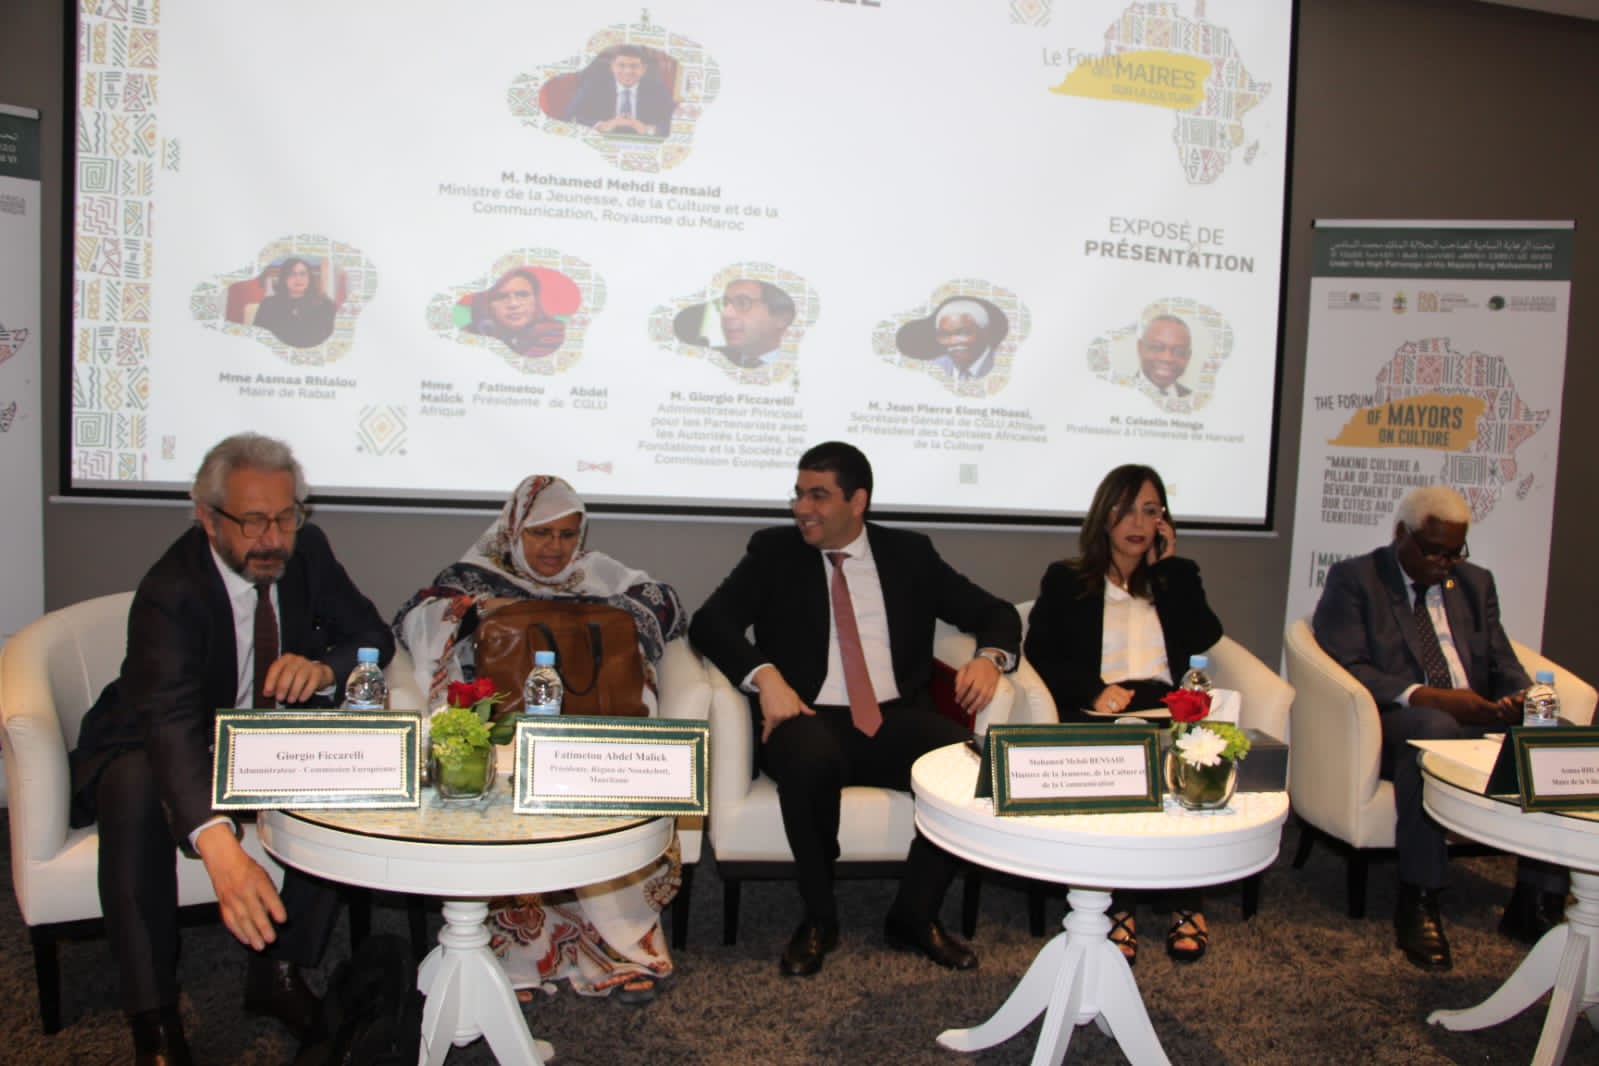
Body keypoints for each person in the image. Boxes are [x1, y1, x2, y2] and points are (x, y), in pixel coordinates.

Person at [69, 433, 394, 1065]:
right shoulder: (170, 590)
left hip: (252, 742)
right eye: (252, 522)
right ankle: (154, 1019)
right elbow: (169, 725)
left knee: (343, 762)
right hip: (152, 739)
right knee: (134, 790)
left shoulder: (308, 551)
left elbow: (372, 635)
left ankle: (279, 971)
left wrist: (324, 669)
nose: (272, 539)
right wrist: (218, 846)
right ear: (207, 517)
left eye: (286, 517)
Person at [690, 441, 1020, 977]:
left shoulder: (909, 554)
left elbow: (995, 611)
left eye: (818, 495)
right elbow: (710, 623)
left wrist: (989, 658)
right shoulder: (774, 552)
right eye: (798, 494)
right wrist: (766, 677)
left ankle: (914, 915)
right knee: (810, 759)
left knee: (972, 768)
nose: (802, 508)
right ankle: (819, 919)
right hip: (806, 715)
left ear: (857, 500)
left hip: (893, 717)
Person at [392, 474, 685, 1003]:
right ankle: (513, 960)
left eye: (567, 535)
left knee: (602, 805)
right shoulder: (474, 575)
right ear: (514, 530)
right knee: (502, 805)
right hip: (506, 732)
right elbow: (414, 618)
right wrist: (478, 611)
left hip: (589, 732)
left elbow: (666, 606)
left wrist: (583, 612)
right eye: (541, 533)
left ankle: (618, 949)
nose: (555, 548)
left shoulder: (598, 573)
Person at [1312, 484, 1565, 971]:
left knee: (1554, 734)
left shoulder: (1475, 582)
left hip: (1478, 716)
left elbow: (1501, 660)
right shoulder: (1357, 579)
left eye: (1454, 552)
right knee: (1434, 727)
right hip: (1400, 723)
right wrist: (1429, 696)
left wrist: (1521, 698)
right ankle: (1419, 899)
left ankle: (1536, 899)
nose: (1444, 564)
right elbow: (1349, 666)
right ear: (1400, 534)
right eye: (1433, 552)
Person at [1023, 464, 1224, 965]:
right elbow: (1041, 652)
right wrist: (1092, 691)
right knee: (1129, 759)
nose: (1138, 522)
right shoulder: (1068, 580)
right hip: (1102, 707)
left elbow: (1204, 636)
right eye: (1127, 509)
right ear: (1104, 516)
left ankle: (1187, 902)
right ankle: (1120, 905)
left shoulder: (1175, 579)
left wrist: (1170, 569)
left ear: (1164, 523)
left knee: (1195, 750)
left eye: (1151, 511)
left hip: (1165, 704)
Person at [569, 45, 675, 139]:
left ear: (643, 69)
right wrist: (601, 126)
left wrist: (647, 129)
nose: (627, 71)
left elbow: (674, 124)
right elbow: (571, 117)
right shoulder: (593, 87)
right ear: (612, 66)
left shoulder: (658, 91)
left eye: (634, 66)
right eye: (621, 65)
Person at [465, 267, 567, 358]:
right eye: (501, 297)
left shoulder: (556, 334)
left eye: (523, 295)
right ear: (485, 304)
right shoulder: (470, 334)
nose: (513, 304)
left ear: (536, 299)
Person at [251, 257, 336, 348]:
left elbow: (328, 341)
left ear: (309, 278)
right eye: (292, 274)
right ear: (284, 278)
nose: (298, 278)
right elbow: (259, 337)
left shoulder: (325, 305)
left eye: (303, 274)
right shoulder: (268, 304)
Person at [718, 279, 795, 368]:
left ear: (782, 318)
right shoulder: (713, 358)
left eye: (742, 303)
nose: (726, 314)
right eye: (725, 303)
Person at [929, 298, 1002, 381]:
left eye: (963, 333)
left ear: (985, 333)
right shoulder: (935, 366)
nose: (953, 341)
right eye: (945, 334)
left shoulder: (1001, 365)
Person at [1136, 314, 1193, 398]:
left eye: (1179, 352)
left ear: (1188, 357)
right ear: (1140, 348)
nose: (1167, 358)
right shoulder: (1120, 392)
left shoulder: (1193, 398)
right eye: (1157, 347)